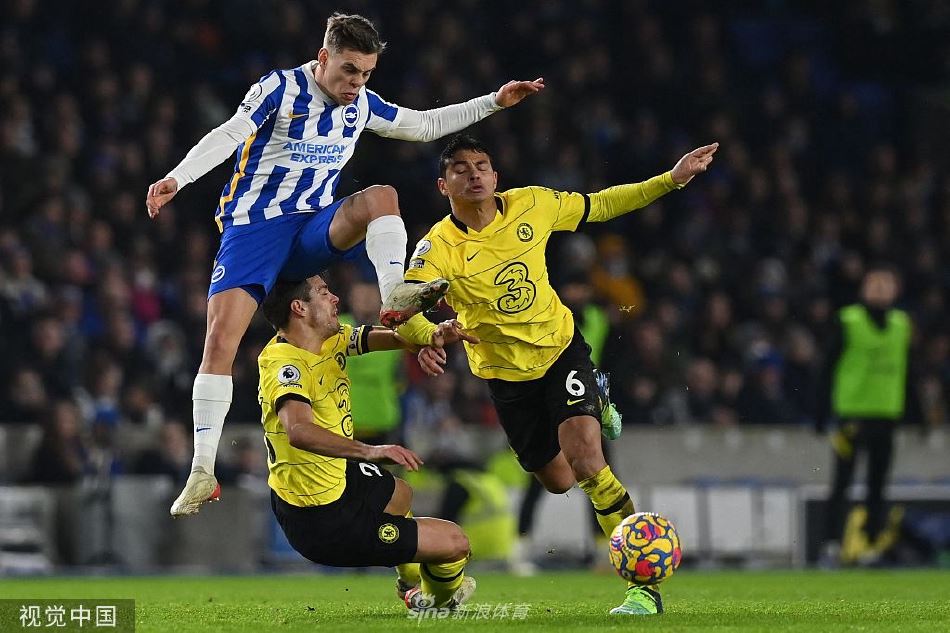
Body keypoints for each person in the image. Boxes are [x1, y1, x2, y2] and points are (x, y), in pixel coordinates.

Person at [144, 12, 544, 515]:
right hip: (255, 228)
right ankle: (202, 471)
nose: (357, 83)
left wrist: (493, 102)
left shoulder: (361, 105)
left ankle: (395, 295)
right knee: (220, 343)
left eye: (366, 74)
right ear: (324, 57)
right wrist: (177, 179)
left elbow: (422, 125)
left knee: (382, 197)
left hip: (312, 228)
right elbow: (230, 133)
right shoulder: (278, 89)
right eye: (349, 70)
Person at [393, 134, 717, 615]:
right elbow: (402, 308)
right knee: (559, 480)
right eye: (460, 168)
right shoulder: (437, 247)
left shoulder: (533, 204)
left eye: (482, 165)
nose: (474, 174)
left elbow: (601, 205)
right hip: (506, 377)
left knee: (589, 460)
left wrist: (670, 180)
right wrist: (430, 334)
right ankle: (598, 402)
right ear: (444, 186)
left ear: (496, 176)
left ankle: (643, 588)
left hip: (560, 350)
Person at [258, 274, 478, 610]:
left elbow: (386, 339)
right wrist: (370, 451)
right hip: (321, 519)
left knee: (400, 493)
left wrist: (431, 336)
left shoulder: (327, 339)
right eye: (323, 293)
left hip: (337, 479)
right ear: (299, 308)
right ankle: (436, 602)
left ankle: (409, 582)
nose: (335, 298)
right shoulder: (286, 364)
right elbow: (299, 431)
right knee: (456, 543)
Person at [818, 265, 916, 566]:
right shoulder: (849, 320)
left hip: (886, 415)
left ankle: (872, 545)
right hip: (853, 416)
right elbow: (827, 366)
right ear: (863, 288)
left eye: (887, 283)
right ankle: (831, 545)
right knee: (842, 483)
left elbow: (908, 370)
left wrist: (917, 412)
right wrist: (821, 411)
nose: (881, 289)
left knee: (878, 484)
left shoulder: (901, 324)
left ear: (896, 290)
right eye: (875, 283)